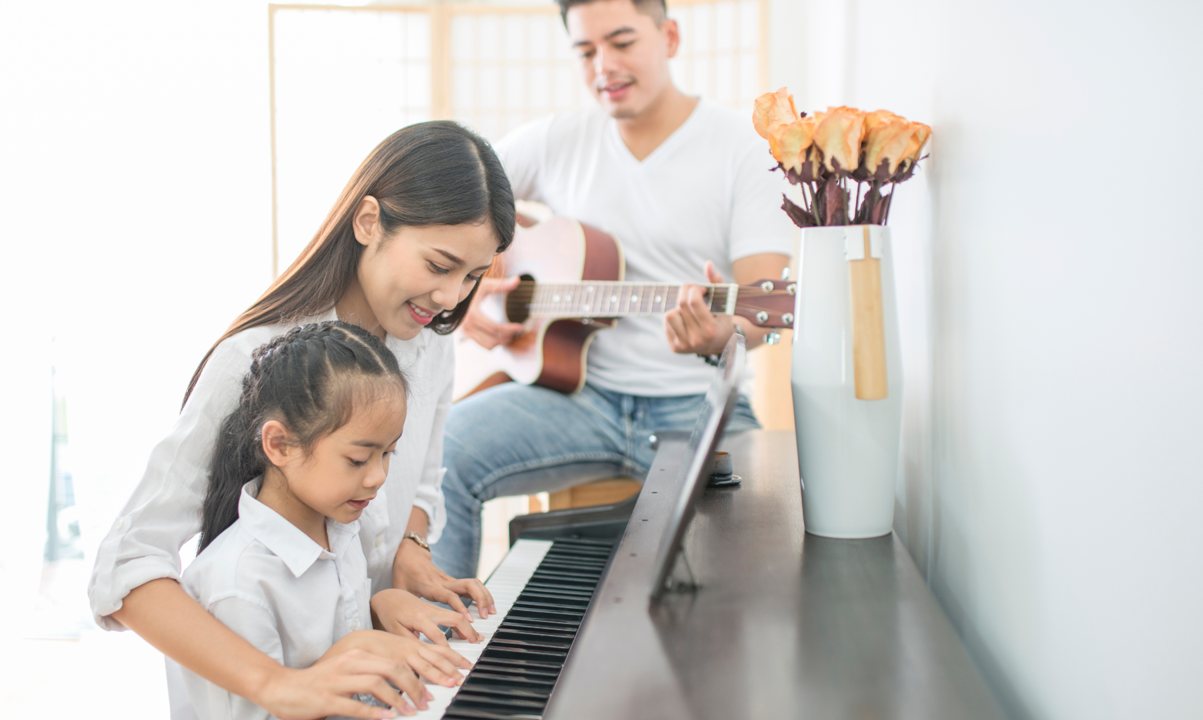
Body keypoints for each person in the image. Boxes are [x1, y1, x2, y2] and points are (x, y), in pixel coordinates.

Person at [88, 121, 513, 720]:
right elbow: (128, 564)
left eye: (473, 276)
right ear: (368, 222)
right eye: (439, 265)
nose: (451, 298)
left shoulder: (430, 340)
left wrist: (406, 558)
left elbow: (419, 482)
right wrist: (277, 686)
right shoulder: (254, 360)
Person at [433, 0, 794, 580]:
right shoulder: (557, 139)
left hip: (694, 405)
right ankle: (439, 647)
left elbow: (762, 303)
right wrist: (468, 291)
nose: (604, 65)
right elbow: (454, 203)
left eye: (622, 42)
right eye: (586, 50)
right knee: (441, 457)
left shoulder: (743, 150)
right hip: (575, 396)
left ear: (669, 36)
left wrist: (725, 330)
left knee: (769, 521)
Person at [182, 321, 472, 720]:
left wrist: (378, 610)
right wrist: (355, 651)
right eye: (358, 459)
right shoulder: (239, 585)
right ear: (279, 445)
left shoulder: (343, 525)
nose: (378, 477)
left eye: (389, 454)